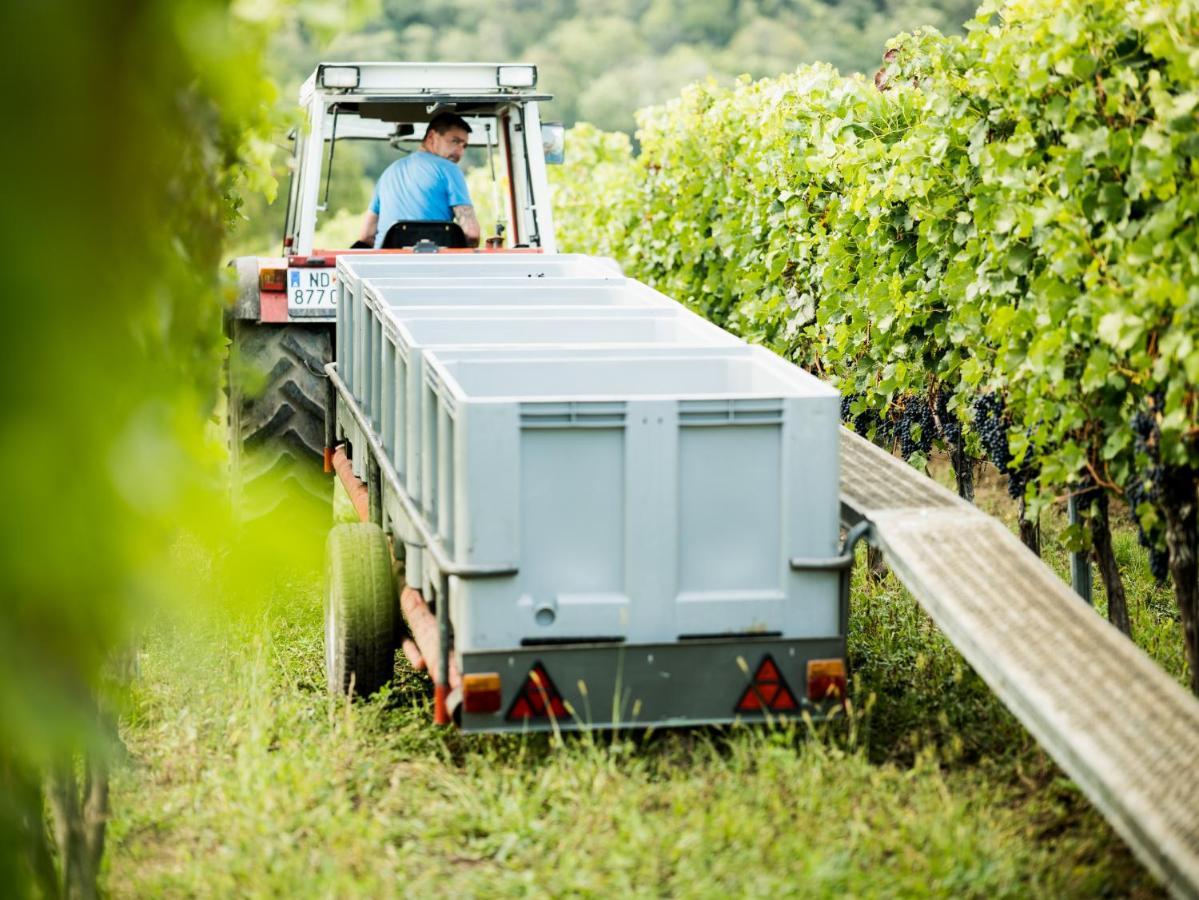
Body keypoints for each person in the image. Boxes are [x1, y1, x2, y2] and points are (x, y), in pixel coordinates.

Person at [357, 112, 481, 248]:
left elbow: (366, 235)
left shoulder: (388, 172)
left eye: (464, 146)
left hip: (386, 264)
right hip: (433, 264)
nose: (460, 151)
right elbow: (472, 233)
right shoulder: (449, 169)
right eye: (455, 141)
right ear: (431, 136)